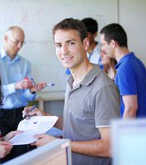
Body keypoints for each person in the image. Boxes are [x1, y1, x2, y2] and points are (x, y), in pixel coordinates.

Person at [23, 18, 120, 165]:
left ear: (85, 44)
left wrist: (57, 144)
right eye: (59, 45)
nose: (64, 51)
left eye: (71, 43)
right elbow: (78, 127)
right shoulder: (71, 81)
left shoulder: (103, 88)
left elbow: (109, 147)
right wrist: (46, 117)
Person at [0, 26, 46, 162]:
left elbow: (25, 97)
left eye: (22, 42)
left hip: (21, 114)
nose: (19, 46)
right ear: (5, 38)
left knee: (22, 154)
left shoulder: (25, 64)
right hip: (0, 114)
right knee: (3, 154)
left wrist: (31, 91)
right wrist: (15, 86)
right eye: (16, 41)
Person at [100, 23, 146, 119]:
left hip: (134, 131)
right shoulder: (137, 62)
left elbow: (131, 108)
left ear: (113, 43)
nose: (102, 49)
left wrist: (122, 133)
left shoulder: (124, 69)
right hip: (143, 128)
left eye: (103, 44)